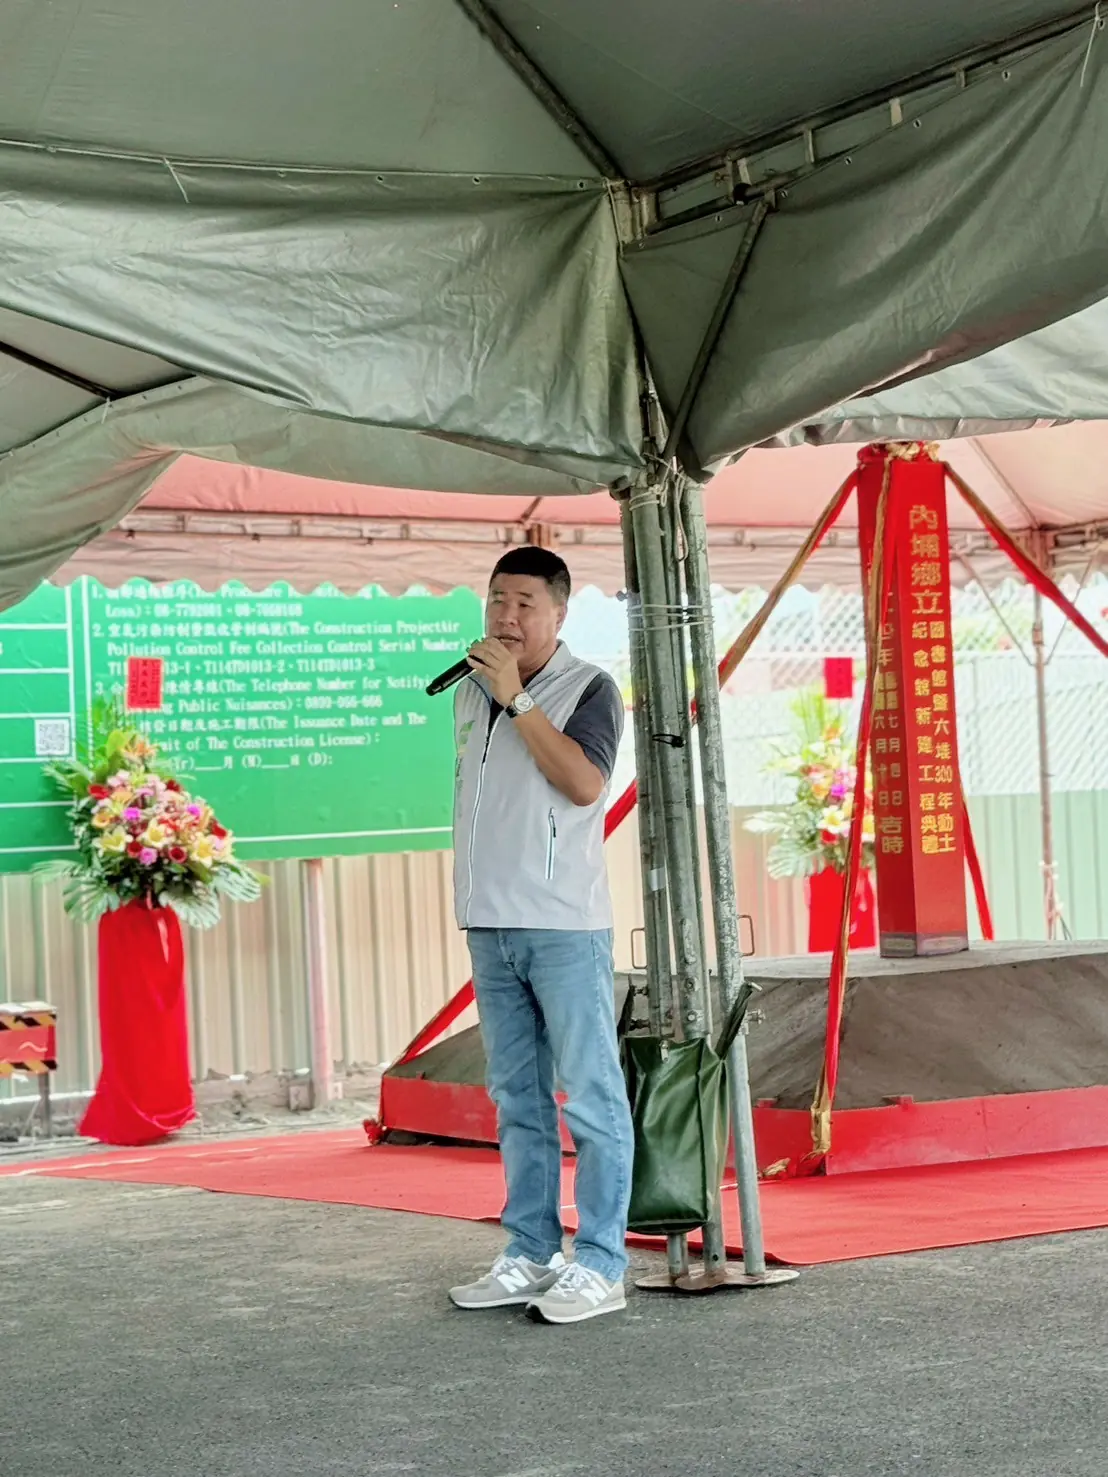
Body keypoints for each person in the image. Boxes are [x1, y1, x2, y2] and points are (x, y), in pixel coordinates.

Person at [447, 546, 634, 1324]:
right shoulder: (470, 690)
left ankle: (602, 1260)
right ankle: (531, 1249)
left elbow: (584, 784)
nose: (507, 616)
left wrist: (518, 698)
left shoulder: (589, 687)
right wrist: (498, 691)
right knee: (516, 1097)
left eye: (525, 603)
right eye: (497, 600)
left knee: (589, 1092)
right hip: (489, 920)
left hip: (563, 923)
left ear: (559, 612)